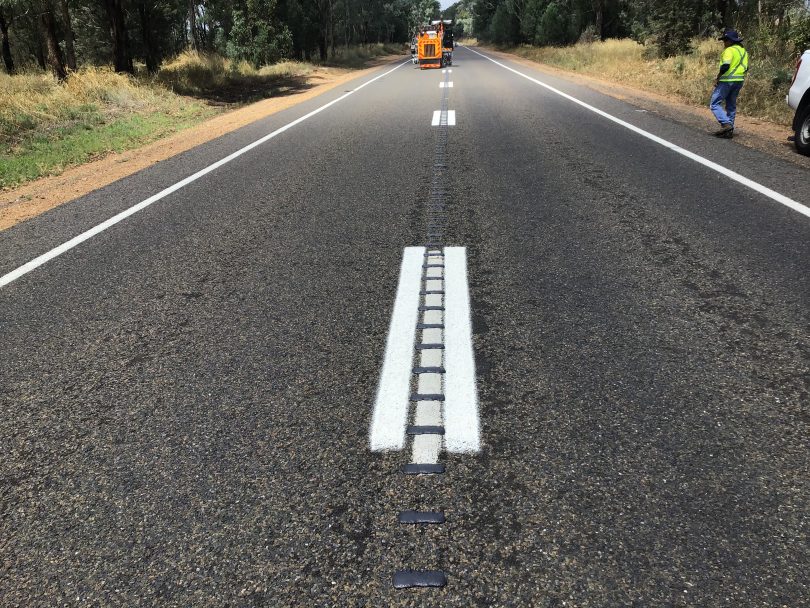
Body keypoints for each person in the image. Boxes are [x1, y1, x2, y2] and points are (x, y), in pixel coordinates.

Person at [710, 29, 749, 139]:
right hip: (739, 80)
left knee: (714, 103)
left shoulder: (729, 50)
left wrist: (718, 77)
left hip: (727, 81)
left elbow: (725, 66)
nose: (724, 42)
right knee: (731, 105)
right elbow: (746, 68)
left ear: (731, 41)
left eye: (725, 40)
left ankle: (726, 124)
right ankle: (729, 130)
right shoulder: (743, 52)